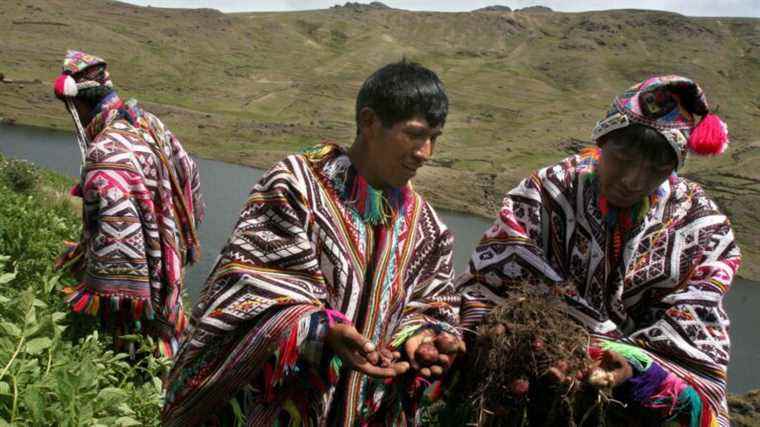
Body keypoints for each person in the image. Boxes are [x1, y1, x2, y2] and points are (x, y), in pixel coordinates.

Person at [161, 60, 465, 426]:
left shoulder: (428, 228)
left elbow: (433, 303)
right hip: (280, 400)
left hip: (363, 409)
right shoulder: (295, 187)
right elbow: (246, 285)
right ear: (369, 122)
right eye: (415, 134)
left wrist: (421, 337)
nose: (425, 152)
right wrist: (322, 329)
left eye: (435, 138)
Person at [456, 75, 740, 426]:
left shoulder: (701, 226)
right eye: (622, 158)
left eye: (657, 169)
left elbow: (697, 331)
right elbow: (488, 284)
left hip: (632, 401)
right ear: (602, 143)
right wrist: (507, 327)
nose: (633, 180)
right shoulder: (546, 194)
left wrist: (638, 368)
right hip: (530, 381)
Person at [53, 50, 204, 357]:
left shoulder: (104, 152)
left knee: (129, 345)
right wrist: (169, 236)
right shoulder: (149, 124)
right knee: (163, 331)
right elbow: (190, 175)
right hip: (168, 257)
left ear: (77, 104)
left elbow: (117, 253)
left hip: (138, 284)